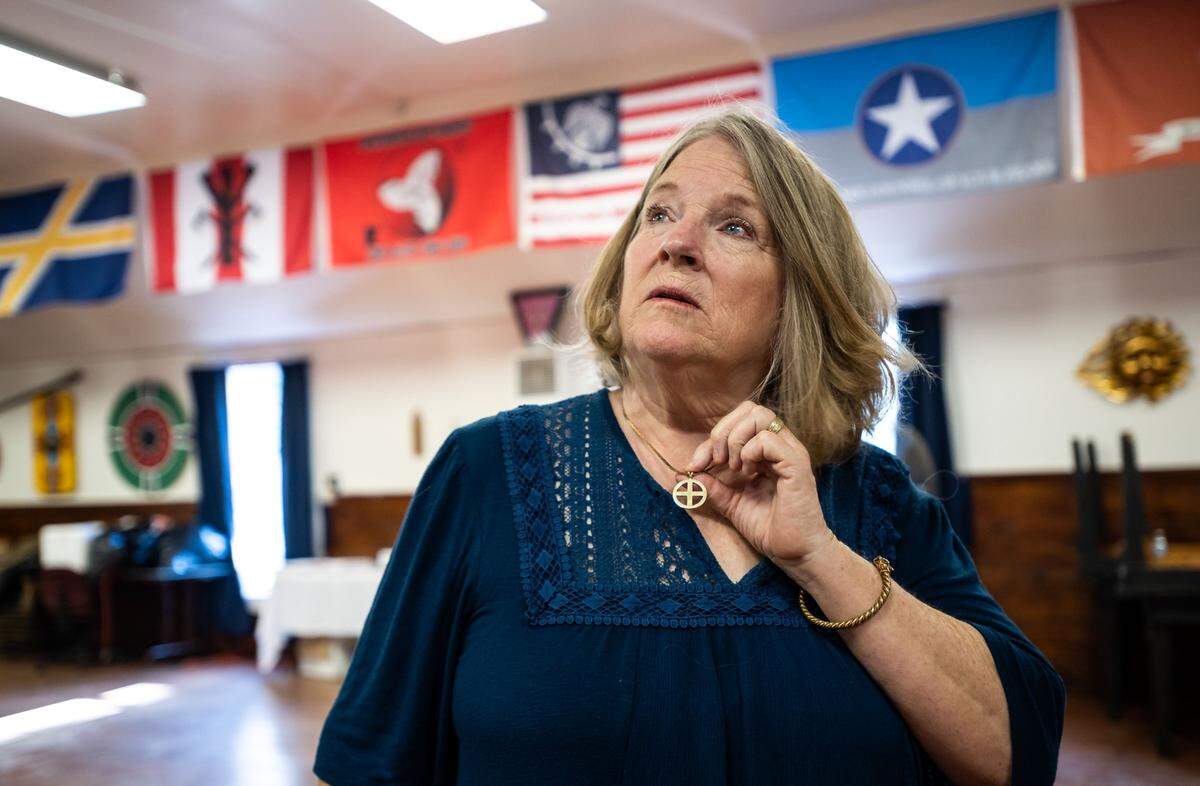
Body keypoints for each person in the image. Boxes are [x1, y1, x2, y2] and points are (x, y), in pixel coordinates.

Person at [314, 110, 1064, 786]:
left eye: (734, 226)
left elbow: (1012, 753)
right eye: (659, 213)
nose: (676, 243)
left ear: (797, 299)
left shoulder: (878, 498)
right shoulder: (485, 472)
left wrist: (822, 561)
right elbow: (367, 763)